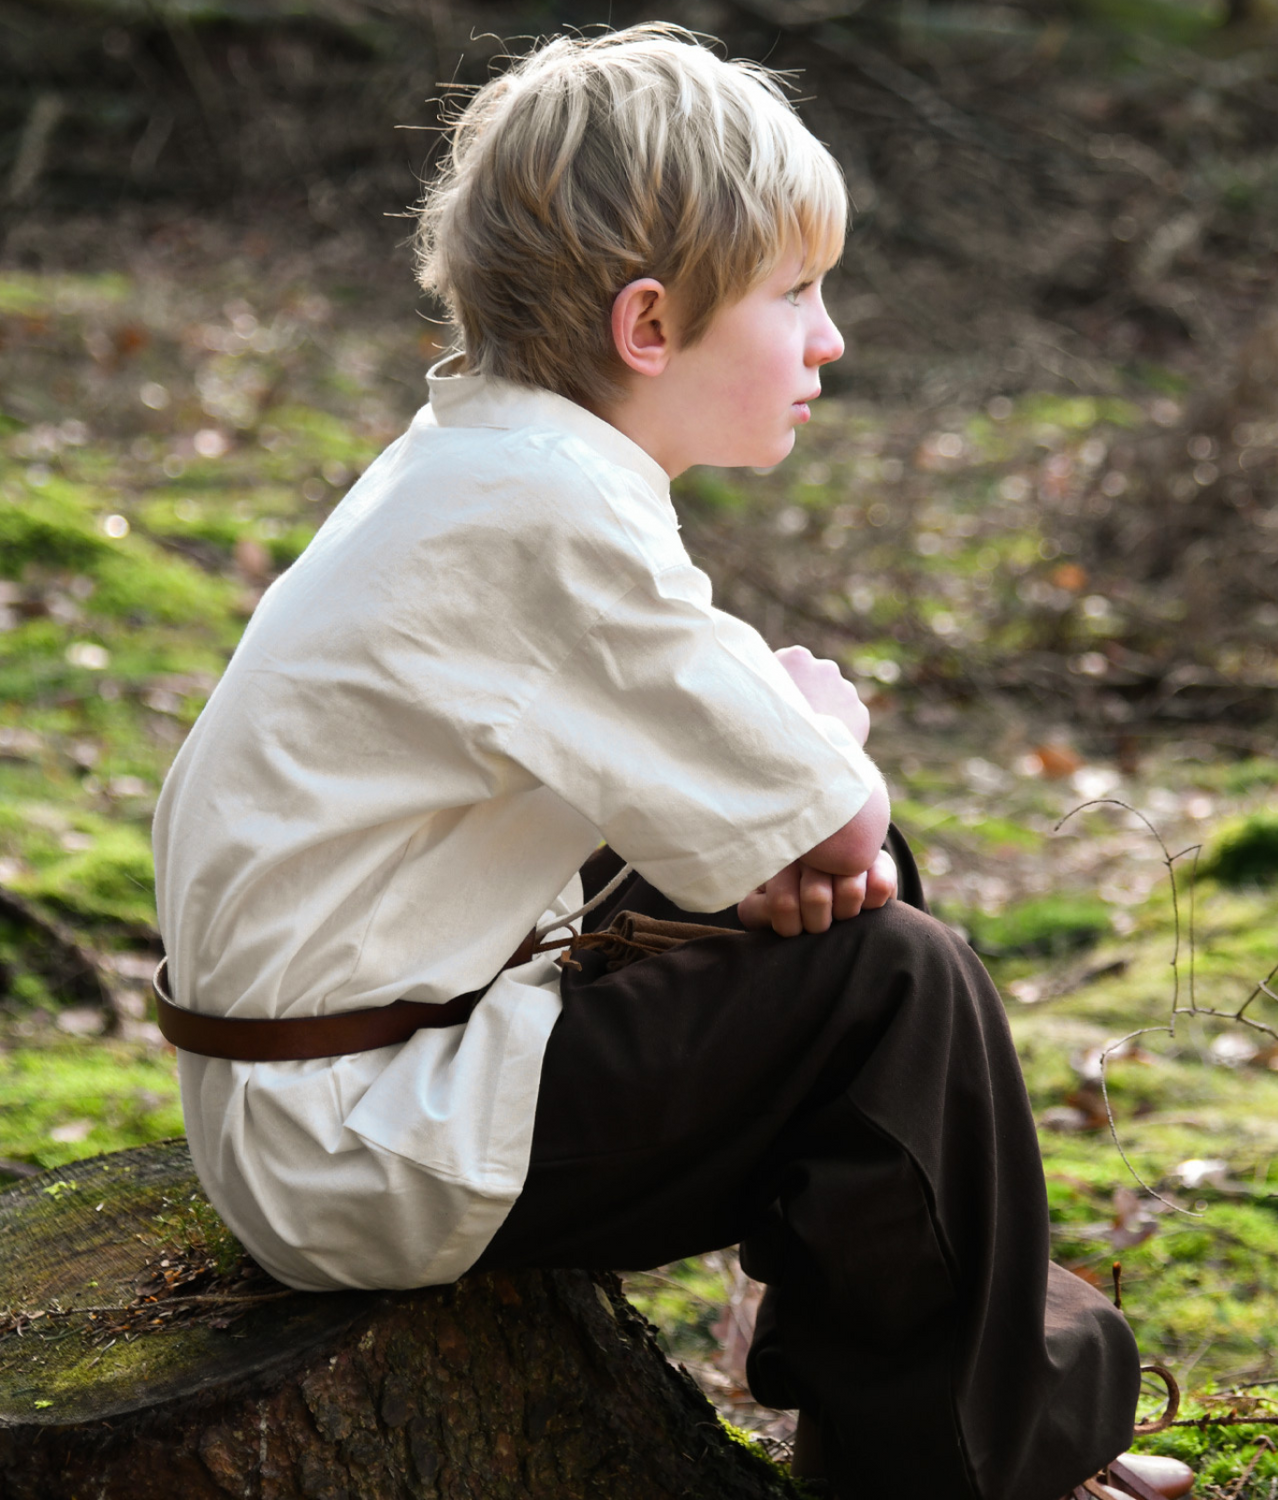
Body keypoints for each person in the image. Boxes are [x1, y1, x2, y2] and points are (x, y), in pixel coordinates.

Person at [151, 25, 1188, 1500]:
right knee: (896, 974)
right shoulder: (547, 510)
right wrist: (822, 744)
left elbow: (747, 818)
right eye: (795, 293)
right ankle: (972, 1465)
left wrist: (789, 808)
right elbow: (836, 834)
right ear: (650, 327)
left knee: (842, 913)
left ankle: (940, 1393)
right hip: (353, 1142)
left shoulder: (488, 460)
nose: (828, 338)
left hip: (343, 1079)